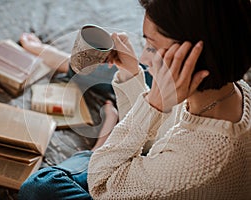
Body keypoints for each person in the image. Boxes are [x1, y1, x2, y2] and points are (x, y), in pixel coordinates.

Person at [18, 0, 251, 199]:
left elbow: (101, 184)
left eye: (152, 45)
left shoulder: (193, 164)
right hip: (161, 164)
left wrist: (153, 105)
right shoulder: (233, 92)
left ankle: (103, 140)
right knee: (142, 73)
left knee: (41, 187)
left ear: (191, 56)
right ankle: (69, 65)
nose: (143, 54)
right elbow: (157, 139)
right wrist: (131, 73)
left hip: (118, 178)